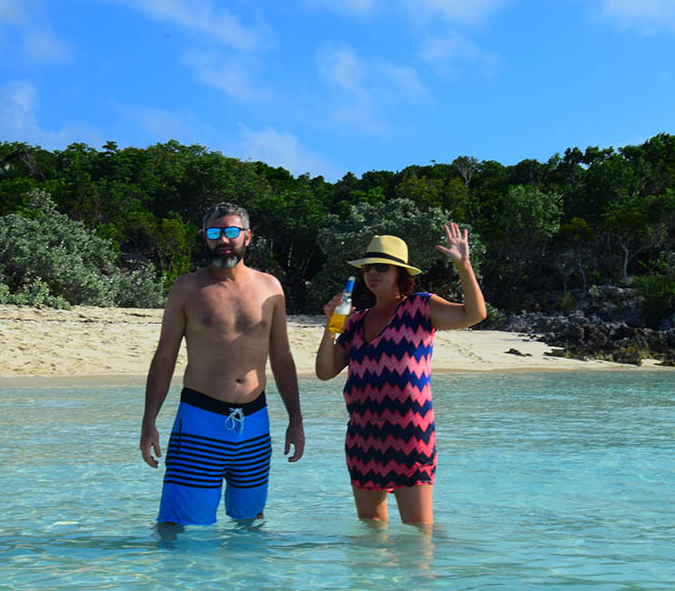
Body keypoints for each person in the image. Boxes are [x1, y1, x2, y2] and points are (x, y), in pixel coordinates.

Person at [140, 202, 304, 526]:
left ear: (247, 236)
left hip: (255, 423)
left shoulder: (270, 287)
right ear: (205, 237)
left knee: (251, 523)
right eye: (214, 233)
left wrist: (295, 419)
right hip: (199, 421)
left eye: (231, 231)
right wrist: (149, 422)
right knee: (179, 527)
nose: (223, 240)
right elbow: (164, 357)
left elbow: (282, 357)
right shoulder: (187, 288)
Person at [315, 223, 485, 525]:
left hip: (410, 435)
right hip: (363, 437)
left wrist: (464, 265)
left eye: (382, 267)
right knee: (371, 531)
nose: (372, 272)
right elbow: (325, 371)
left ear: (400, 273)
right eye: (368, 267)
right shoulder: (355, 322)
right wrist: (331, 326)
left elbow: (474, 314)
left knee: (418, 533)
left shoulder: (420, 308)